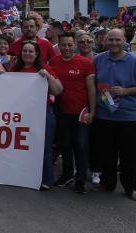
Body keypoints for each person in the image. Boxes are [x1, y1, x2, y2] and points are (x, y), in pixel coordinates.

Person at [92, 29, 136, 201]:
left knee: (130, 155)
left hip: (131, 117)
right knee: (107, 153)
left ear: (124, 40)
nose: (113, 43)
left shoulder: (135, 61)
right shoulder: (98, 60)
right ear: (105, 40)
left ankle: (131, 187)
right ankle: (108, 183)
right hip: (105, 116)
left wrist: (126, 91)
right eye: (110, 39)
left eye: (117, 40)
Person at [47, 32, 96, 194]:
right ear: (58, 46)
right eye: (63, 45)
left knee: (81, 147)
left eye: (69, 45)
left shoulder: (85, 63)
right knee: (65, 145)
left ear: (74, 45)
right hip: (61, 112)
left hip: (81, 112)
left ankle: (80, 179)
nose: (67, 48)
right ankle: (67, 174)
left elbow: (91, 89)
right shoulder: (53, 61)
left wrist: (92, 111)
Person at [10, 40, 63, 191]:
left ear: (37, 54)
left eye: (30, 51)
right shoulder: (15, 69)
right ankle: (24, 175)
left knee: (44, 146)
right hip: (21, 114)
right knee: (22, 146)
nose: (27, 54)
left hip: (43, 112)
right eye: (24, 51)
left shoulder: (44, 68)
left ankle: (46, 179)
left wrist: (48, 76)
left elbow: (58, 90)